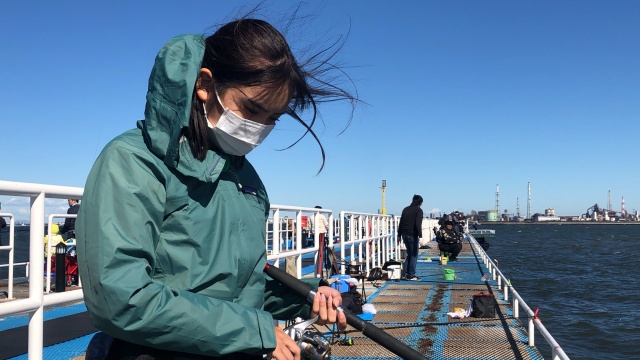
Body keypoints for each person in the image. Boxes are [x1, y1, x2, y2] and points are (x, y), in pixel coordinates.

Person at [76, 14, 357, 360]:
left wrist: (308, 295)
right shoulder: (133, 160)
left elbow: (240, 289)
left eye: (272, 119)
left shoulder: (248, 179)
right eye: (252, 109)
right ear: (205, 85)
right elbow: (119, 298)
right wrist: (252, 329)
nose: (259, 128)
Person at [398, 195, 424, 281]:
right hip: (412, 235)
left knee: (409, 254)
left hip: (404, 234)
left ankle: (406, 273)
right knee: (414, 255)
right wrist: (420, 236)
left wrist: (399, 235)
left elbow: (401, 223)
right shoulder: (419, 210)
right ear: (420, 203)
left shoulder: (405, 209)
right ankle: (411, 275)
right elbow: (418, 224)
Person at [312, 206, 329, 276]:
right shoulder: (322, 216)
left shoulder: (311, 217)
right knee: (321, 247)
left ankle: (317, 254)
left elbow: (310, 225)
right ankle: (320, 257)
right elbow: (327, 225)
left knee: (316, 246)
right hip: (321, 233)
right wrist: (328, 229)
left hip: (314, 233)